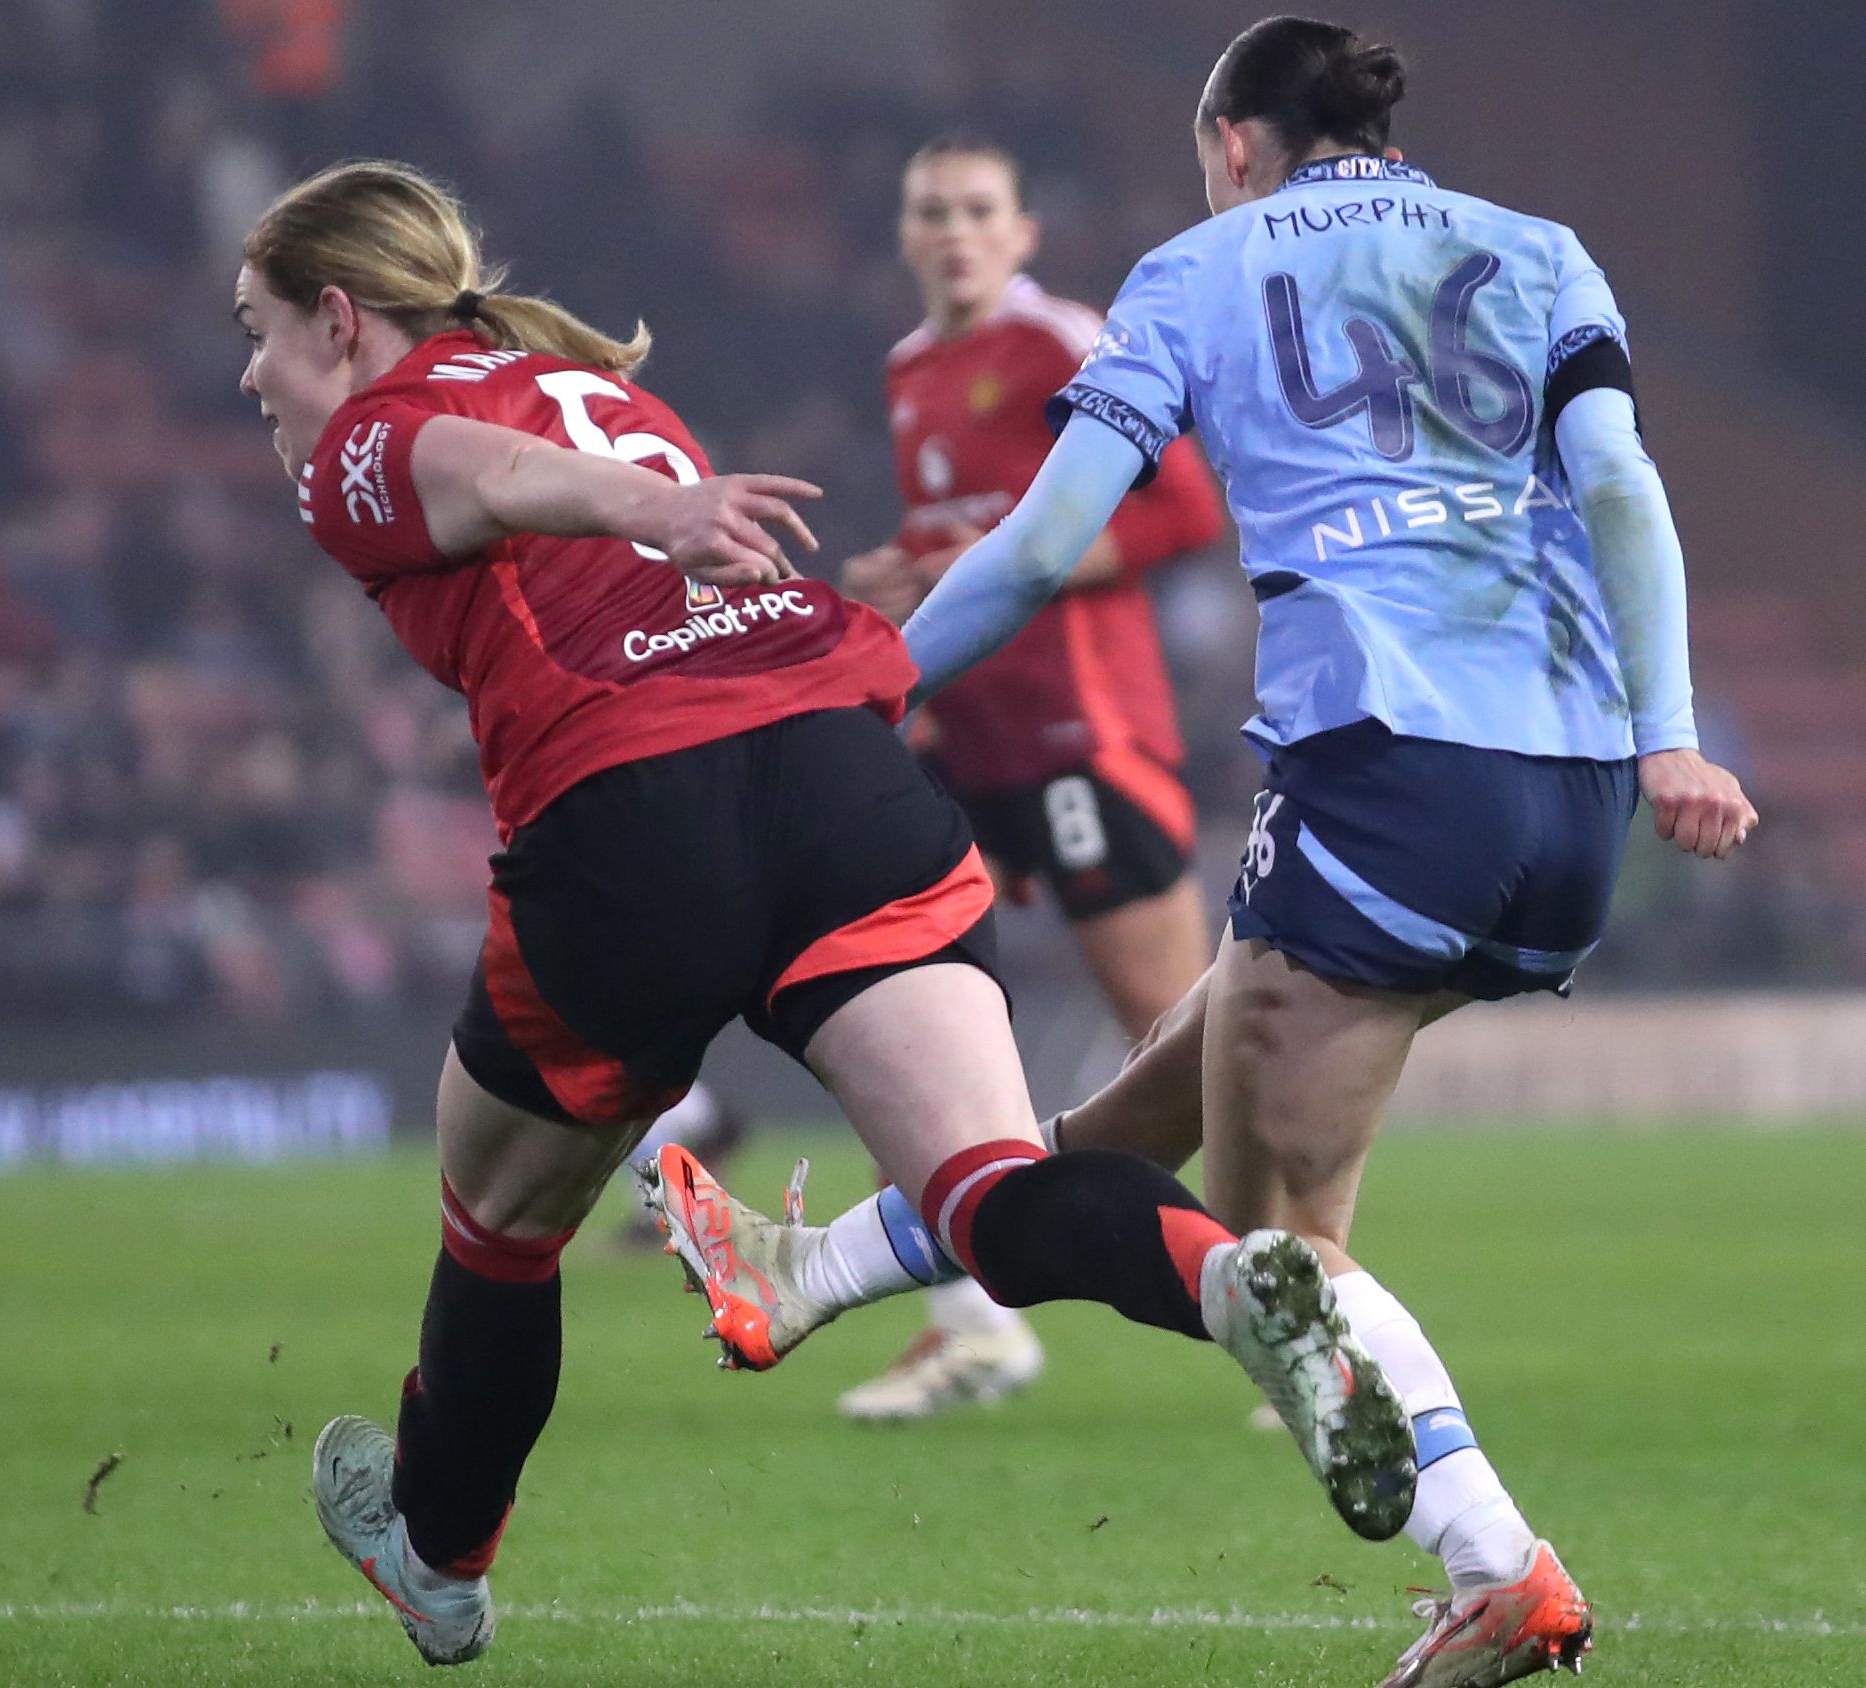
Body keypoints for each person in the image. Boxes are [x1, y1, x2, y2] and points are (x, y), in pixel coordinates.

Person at [662, 21, 1758, 1687]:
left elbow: (1041, 548)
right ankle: (802, 1273)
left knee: (1264, 1263)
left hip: (1387, 775)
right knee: (1118, 1132)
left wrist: (856, 688)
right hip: (1575, 802)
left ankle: (1498, 1571)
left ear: (1231, 140)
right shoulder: (1540, 252)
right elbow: (1620, 483)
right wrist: (1672, 732)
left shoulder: (1194, 269)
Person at [238, 158, 1413, 1670]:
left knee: (502, 1219)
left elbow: (479, 473)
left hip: (634, 816)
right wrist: (663, 497)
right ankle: (1232, 1286)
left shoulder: (365, 438)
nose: (250, 372)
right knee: (985, 1183)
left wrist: (649, 510)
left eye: (257, 328)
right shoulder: (574, 375)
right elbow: (524, 466)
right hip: (839, 770)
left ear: (338, 319)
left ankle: (440, 1555)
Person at [830, 131, 1229, 1423]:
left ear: (1020, 234)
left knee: (1188, 1040)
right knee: (909, 1016)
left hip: (1082, 736)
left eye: (976, 210)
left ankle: (1313, 1299)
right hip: (967, 745)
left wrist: (1013, 560)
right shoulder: (908, 371)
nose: (952, 231)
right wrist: (901, 579)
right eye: (928, 209)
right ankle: (975, 1323)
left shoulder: (1060, 342)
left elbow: (1180, 512)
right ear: (901, 232)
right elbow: (951, 537)